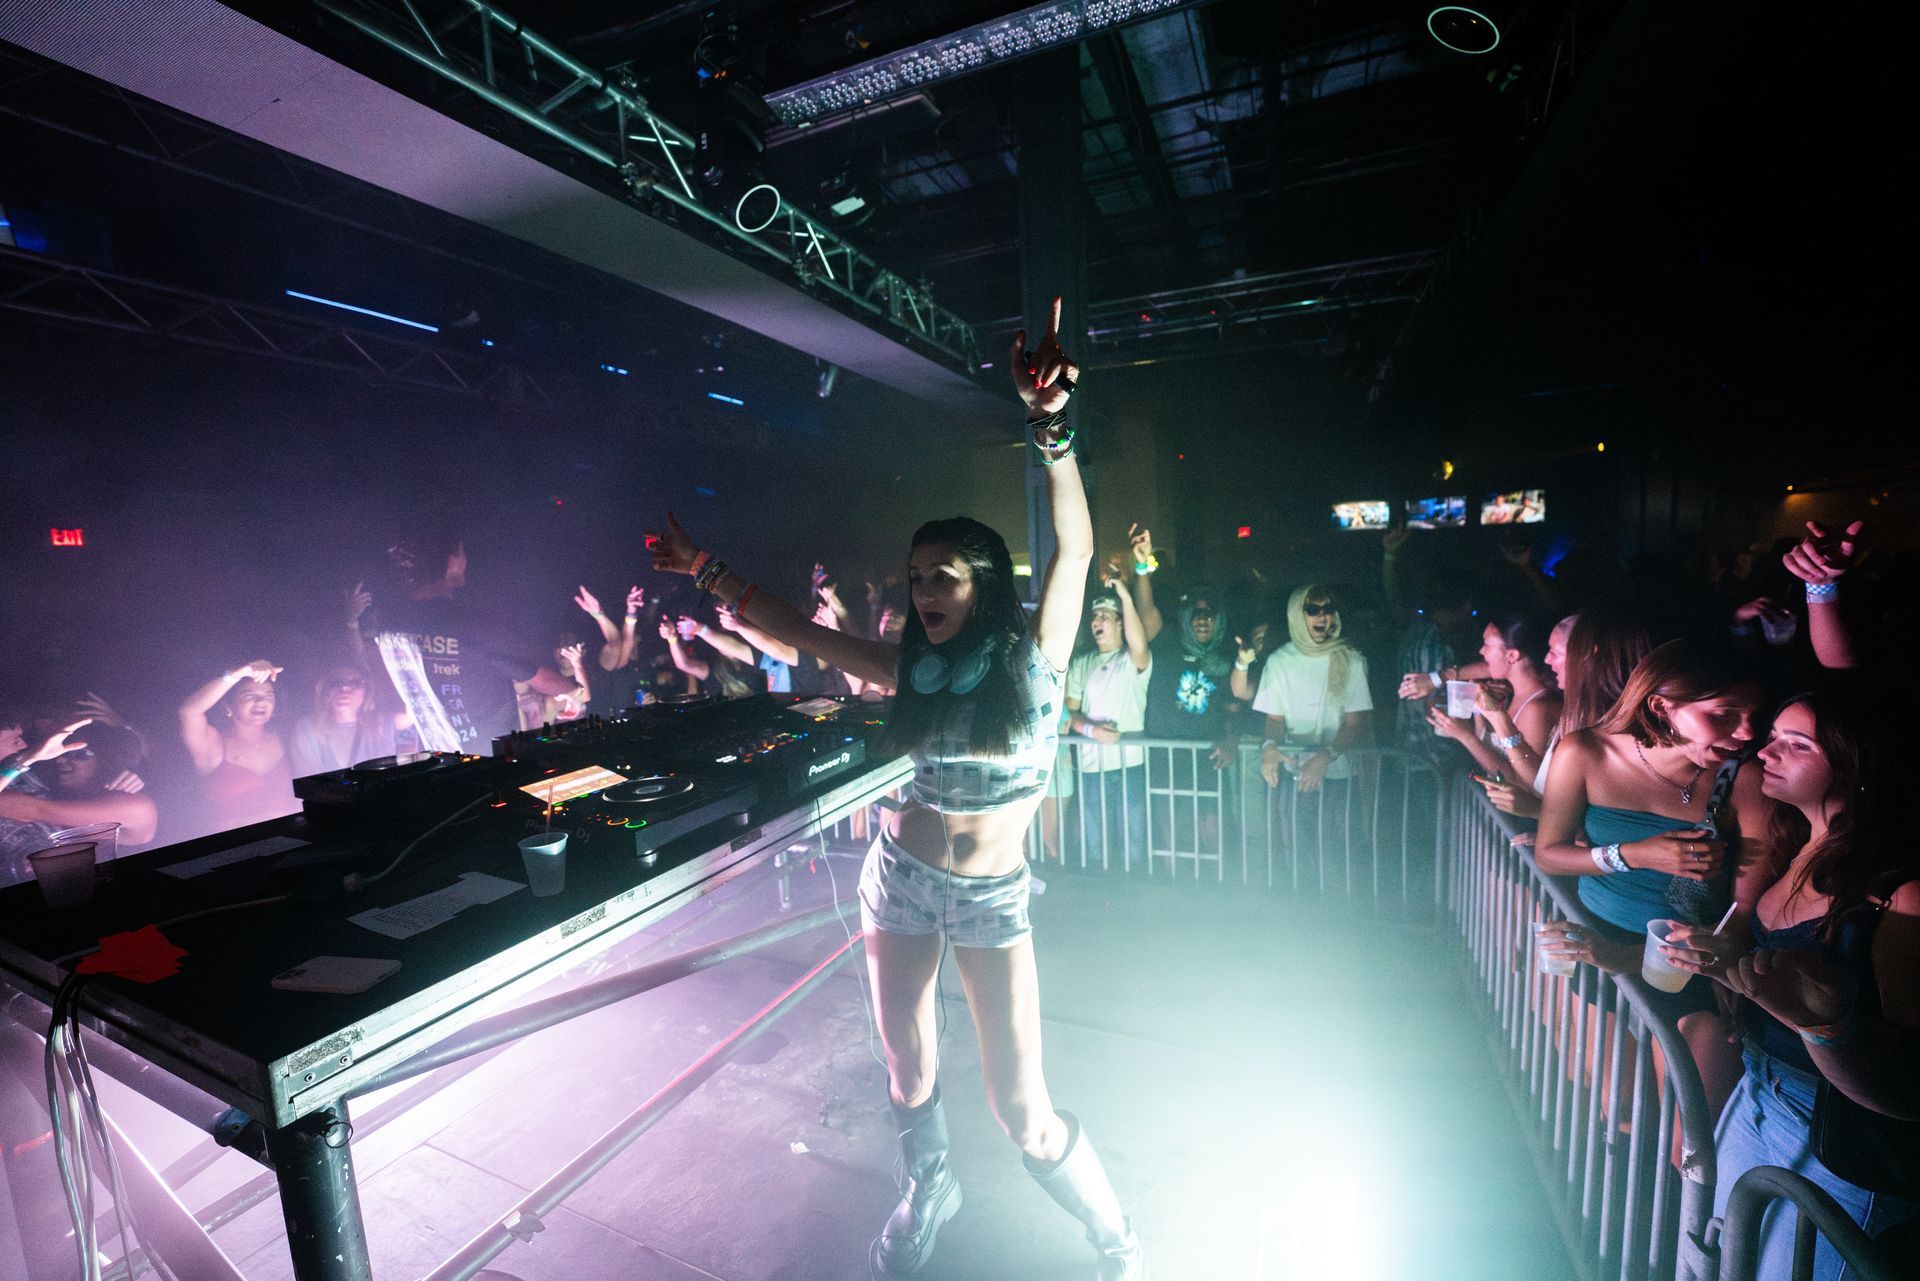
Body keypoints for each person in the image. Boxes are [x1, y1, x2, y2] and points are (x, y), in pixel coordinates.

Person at [645, 297, 1145, 1280]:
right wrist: (704, 568)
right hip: (901, 880)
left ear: (987, 584)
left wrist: (1052, 433)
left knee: (1024, 1111)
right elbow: (798, 635)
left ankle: (1116, 1239)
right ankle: (930, 1189)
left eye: (947, 576)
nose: (926, 591)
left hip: (994, 896)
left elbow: (1078, 552)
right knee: (908, 1070)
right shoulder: (903, 667)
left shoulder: (1034, 662)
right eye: (919, 576)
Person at [1658, 692, 1918, 1279]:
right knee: (1714, 1260)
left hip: (1837, 1136)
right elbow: (1776, 994)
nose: (1766, 751)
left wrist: (1826, 1027)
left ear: (1859, 771)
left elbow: (1907, 1093)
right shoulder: (1795, 845)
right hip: (1758, 1091)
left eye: (1796, 745)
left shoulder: (1900, 897)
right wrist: (1730, 968)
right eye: (1774, 734)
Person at [1532, 639, 1775, 1121]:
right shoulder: (1585, 750)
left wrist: (1722, 960)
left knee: (1689, 1138)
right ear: (1662, 706)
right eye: (1725, 713)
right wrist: (1635, 854)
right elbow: (1550, 854)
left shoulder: (1741, 777)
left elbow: (1744, 911)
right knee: (1617, 1106)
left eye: (1753, 714)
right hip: (1600, 940)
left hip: (1688, 961)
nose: (1747, 731)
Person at [355, 527, 572, 752]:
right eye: (462, 554)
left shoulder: (388, 628)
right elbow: (542, 678)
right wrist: (575, 692)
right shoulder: (470, 624)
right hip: (490, 759)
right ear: (451, 562)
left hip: (439, 758)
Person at [1247, 585, 1373, 796]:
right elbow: (1275, 720)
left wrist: (1324, 757)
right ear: (1297, 615)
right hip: (1294, 770)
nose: (1323, 616)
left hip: (1339, 774)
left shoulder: (1351, 658)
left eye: (1329, 609)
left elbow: (1355, 723)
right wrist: (1269, 747)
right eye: (1313, 610)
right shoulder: (1279, 661)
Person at [0, 719, 159, 886]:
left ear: (107, 760)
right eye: (63, 752)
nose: (60, 760)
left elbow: (26, 808)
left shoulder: (135, 807)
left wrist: (22, 761)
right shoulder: (44, 783)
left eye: (78, 754)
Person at [1064, 577, 1152, 869]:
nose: (1097, 622)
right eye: (1094, 617)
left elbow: (1139, 641)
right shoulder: (1081, 663)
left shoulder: (1132, 660)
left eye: (1105, 617)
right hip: (1092, 765)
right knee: (1095, 840)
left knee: (1135, 837)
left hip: (1130, 763)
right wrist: (1091, 730)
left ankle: (1136, 887)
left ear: (1119, 624)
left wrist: (1125, 596)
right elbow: (1070, 715)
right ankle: (1097, 889)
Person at [1428, 612, 1563, 796]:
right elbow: (1492, 755)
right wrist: (1479, 710)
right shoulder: (1510, 696)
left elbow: (1520, 783)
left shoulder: (1537, 709)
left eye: (1487, 644)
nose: (1481, 651)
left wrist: (1465, 736)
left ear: (1512, 655)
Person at [178, 659, 298, 832]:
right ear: (229, 706)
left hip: (289, 837)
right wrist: (234, 675)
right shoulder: (213, 744)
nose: (260, 701)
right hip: (238, 844)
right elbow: (188, 712)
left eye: (268, 696)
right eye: (249, 695)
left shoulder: (283, 737)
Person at [286, 665, 403, 777]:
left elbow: (414, 713)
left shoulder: (381, 724)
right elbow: (308, 783)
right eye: (336, 683)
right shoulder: (308, 729)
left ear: (367, 691)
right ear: (325, 690)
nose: (345, 688)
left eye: (355, 683)